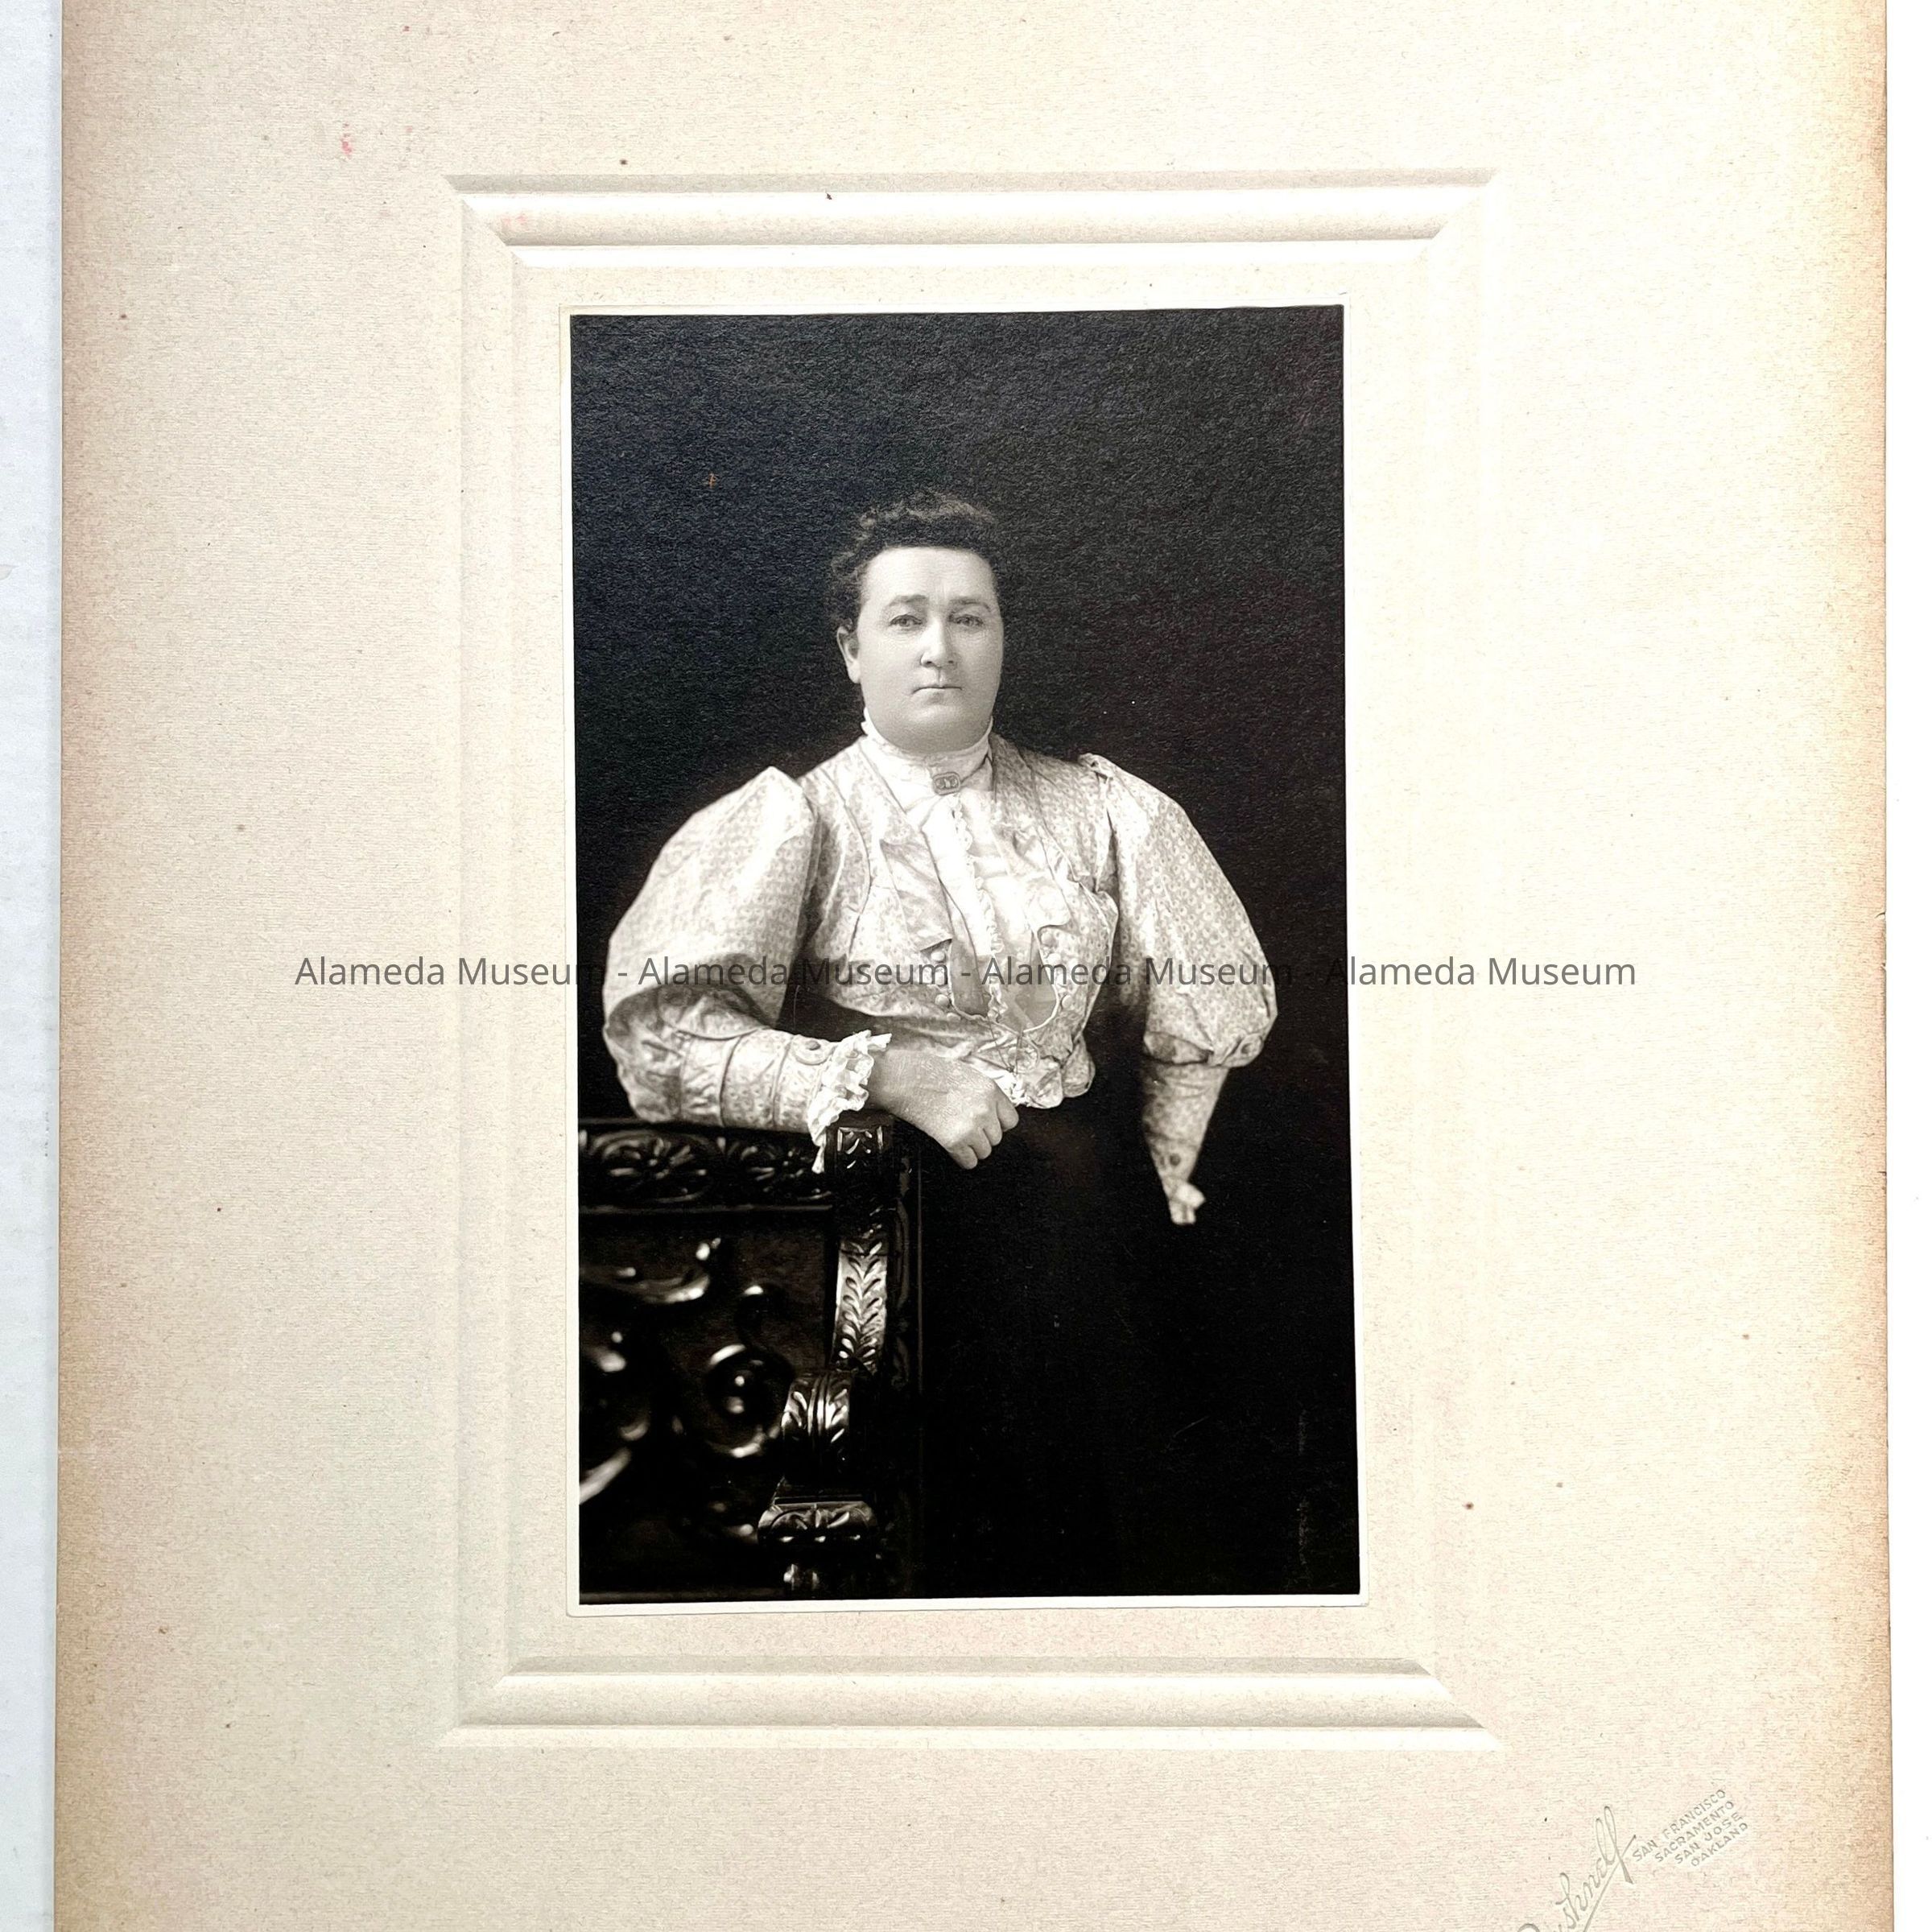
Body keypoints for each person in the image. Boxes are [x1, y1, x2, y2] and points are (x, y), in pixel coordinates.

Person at [602, 490, 1276, 1596]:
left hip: (1091, 1232)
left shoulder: (1108, 814)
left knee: (1127, 1530)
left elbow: (1198, 1018)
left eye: (970, 618)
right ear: (851, 649)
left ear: (1003, 639)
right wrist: (886, 1071)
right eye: (906, 619)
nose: (940, 648)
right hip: (886, 1241)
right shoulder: (794, 822)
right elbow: (668, 1040)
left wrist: (1166, 1172)